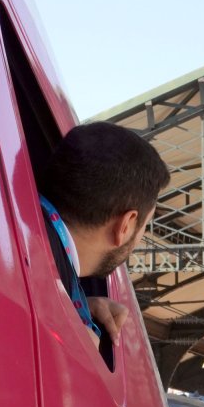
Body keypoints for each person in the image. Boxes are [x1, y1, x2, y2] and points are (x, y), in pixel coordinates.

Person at [36, 121, 169, 345]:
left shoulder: (27, 239)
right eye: (145, 225)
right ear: (125, 225)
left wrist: (77, 306)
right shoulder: (40, 270)